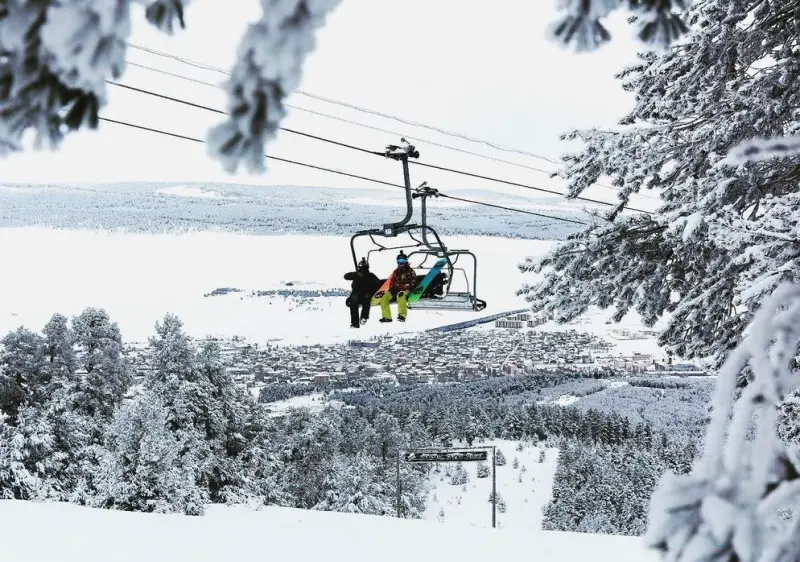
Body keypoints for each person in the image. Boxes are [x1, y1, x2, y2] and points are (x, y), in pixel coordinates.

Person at [379, 251, 417, 323]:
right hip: (395, 290)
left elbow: (413, 282)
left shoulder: (410, 271)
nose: (401, 263)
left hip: (405, 290)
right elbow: (392, 282)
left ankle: (402, 315)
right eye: (399, 261)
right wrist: (391, 287)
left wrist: (404, 286)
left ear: (406, 262)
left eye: (402, 261)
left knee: (400, 295)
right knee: (384, 298)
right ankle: (387, 317)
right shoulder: (396, 272)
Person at [344, 258, 382, 328]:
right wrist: (356, 274)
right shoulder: (356, 275)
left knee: (366, 301)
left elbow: (377, 284)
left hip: (365, 295)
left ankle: (363, 318)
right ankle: (355, 322)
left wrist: (370, 292)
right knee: (353, 303)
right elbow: (346, 276)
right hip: (357, 295)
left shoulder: (370, 276)